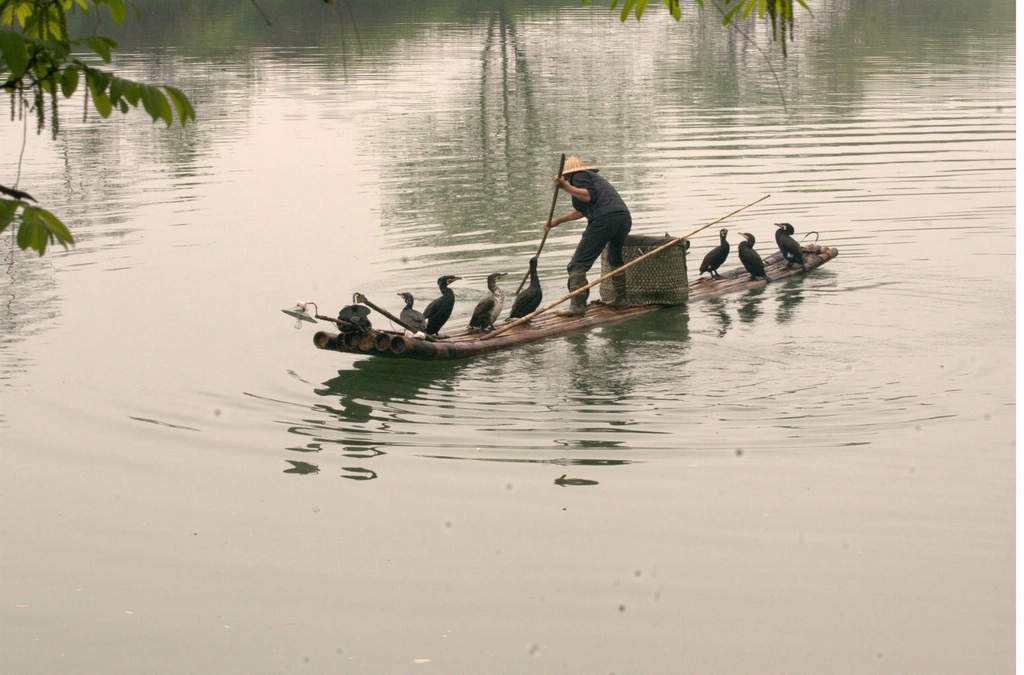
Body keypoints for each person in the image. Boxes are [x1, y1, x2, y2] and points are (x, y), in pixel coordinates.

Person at [545, 155, 632, 316]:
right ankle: (621, 300)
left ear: (567, 175)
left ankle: (578, 306)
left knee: (577, 265)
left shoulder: (579, 176)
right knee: (615, 259)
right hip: (622, 219)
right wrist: (557, 221)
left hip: (605, 220)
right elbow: (582, 211)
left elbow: (587, 196)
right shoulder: (592, 179)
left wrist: (564, 186)